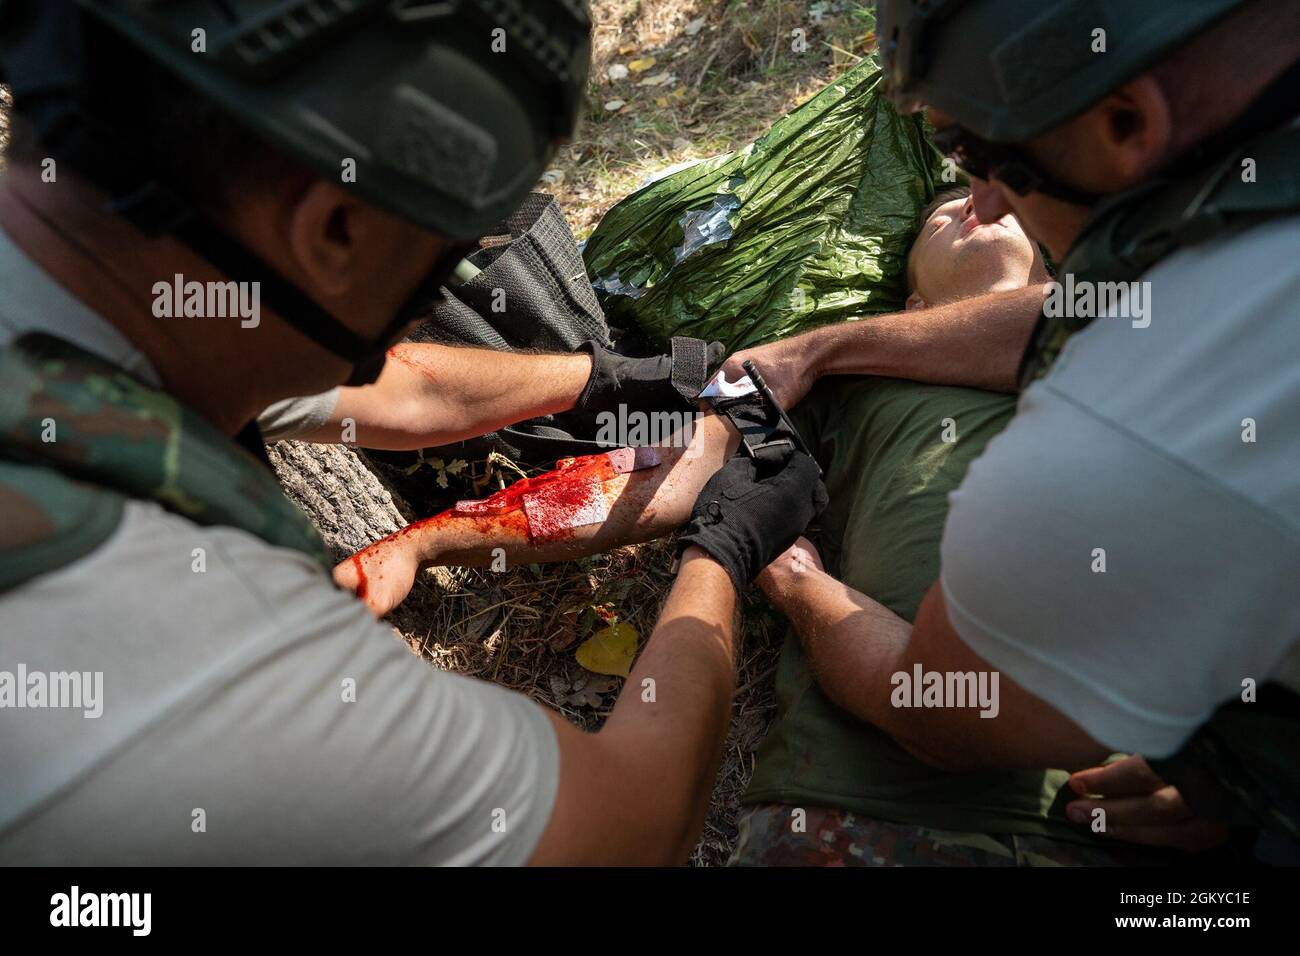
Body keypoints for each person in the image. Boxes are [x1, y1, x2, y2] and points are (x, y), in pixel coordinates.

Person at [0, 1, 824, 865]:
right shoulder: (213, 646)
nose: (429, 299)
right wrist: (721, 555)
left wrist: (600, 378)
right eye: (440, 255)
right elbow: (629, 826)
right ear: (335, 228)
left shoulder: (118, 302)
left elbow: (404, 394)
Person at [342, 188, 1227, 863]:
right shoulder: (835, 375)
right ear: (913, 305)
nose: (970, 206)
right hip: (871, 817)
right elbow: (649, 476)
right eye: (943, 209)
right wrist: (428, 541)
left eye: (995, 204)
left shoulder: (1134, 350)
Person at [727, 0, 1300, 860]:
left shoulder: (1116, 434)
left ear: (1126, 119)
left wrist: (794, 580)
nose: (984, 199)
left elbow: (949, 706)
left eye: (979, 153)